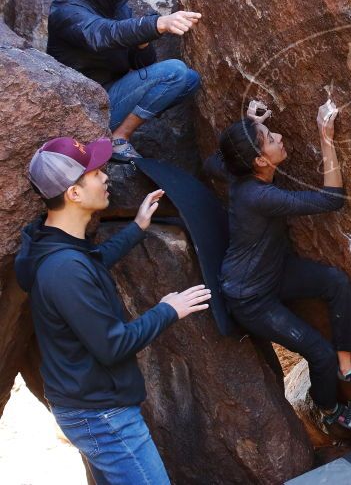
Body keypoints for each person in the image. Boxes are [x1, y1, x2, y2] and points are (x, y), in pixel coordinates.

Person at [15, 136, 211, 484]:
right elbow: (112, 345)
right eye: (95, 172)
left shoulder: (54, 244)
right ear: (73, 193)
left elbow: (94, 263)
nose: (106, 177)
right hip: (102, 414)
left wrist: (137, 227)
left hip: (87, 406)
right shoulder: (64, 270)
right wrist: (168, 309)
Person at [215, 100, 351, 430]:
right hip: (251, 298)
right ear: (260, 161)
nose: (278, 135)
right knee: (319, 353)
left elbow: (220, 159)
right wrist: (326, 137)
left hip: (273, 270)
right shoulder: (259, 196)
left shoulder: (236, 168)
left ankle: (348, 368)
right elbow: (331, 200)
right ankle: (328, 409)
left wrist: (250, 124)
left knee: (334, 281)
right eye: (269, 137)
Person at [47, 0, 203, 159]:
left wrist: (142, 44)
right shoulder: (65, 9)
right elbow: (101, 34)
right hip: (82, 107)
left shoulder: (117, 7)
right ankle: (118, 139)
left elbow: (142, 64)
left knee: (190, 79)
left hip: (110, 95)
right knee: (175, 71)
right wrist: (156, 24)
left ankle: (115, 134)